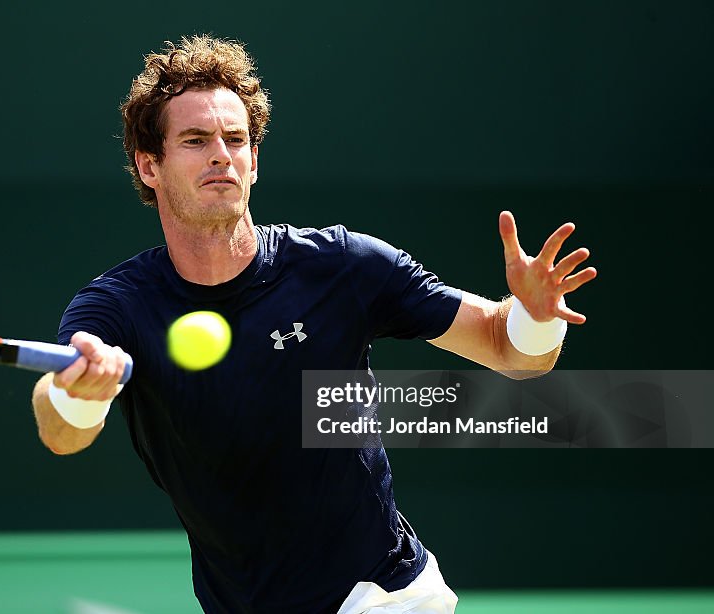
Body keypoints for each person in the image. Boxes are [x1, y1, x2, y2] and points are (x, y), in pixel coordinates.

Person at [31, 35, 596, 614]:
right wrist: (80, 394)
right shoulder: (117, 305)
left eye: (236, 140)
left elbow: (510, 351)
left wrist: (534, 315)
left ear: (254, 161)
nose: (221, 155)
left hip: (381, 596)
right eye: (196, 141)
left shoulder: (344, 266)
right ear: (149, 166)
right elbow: (60, 431)